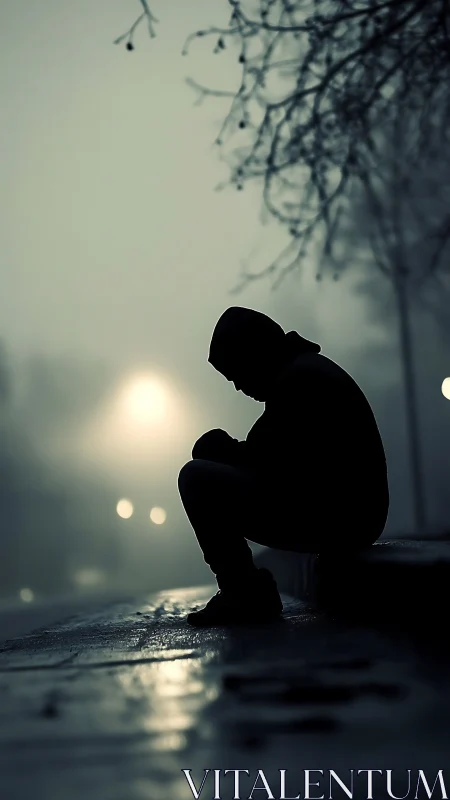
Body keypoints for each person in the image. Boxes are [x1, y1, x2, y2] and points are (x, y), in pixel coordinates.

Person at [178, 306, 389, 627]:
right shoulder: (301, 373)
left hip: (344, 517)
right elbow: (279, 457)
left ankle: (243, 591)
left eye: (236, 373)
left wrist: (224, 451)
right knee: (207, 459)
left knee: (195, 478)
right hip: (348, 512)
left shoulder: (301, 379)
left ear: (253, 352)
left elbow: (274, 464)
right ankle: (244, 589)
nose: (238, 387)